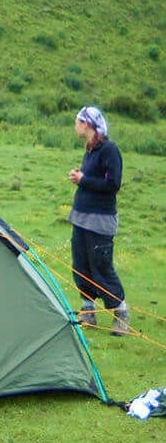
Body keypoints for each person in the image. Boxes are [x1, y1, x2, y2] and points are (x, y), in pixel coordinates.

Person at [69, 106, 128, 335]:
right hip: (81, 217)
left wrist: (84, 179)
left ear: (87, 124)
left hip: (100, 220)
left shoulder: (109, 150)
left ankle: (120, 314)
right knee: (80, 265)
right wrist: (81, 178)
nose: (75, 126)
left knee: (101, 266)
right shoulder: (90, 150)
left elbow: (113, 184)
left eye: (77, 121)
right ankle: (88, 311)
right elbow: (93, 179)